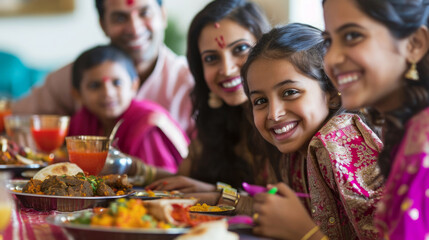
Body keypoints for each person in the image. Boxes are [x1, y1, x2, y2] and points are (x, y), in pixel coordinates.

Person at [241, 23, 384, 239]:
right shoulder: (293, 151)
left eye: (290, 92)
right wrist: (223, 199)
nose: (273, 114)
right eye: (260, 100)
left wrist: (306, 234)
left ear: (334, 93)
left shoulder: (339, 139)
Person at [323, 0, 429, 239]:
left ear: (414, 43)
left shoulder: (424, 140)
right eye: (328, 41)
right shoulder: (407, 128)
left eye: (352, 36)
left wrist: (306, 234)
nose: (332, 59)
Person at [147, 0, 276, 197]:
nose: (226, 69)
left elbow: (277, 203)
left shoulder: (282, 119)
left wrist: (217, 195)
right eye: (211, 58)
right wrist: (133, 169)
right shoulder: (215, 121)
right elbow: (181, 182)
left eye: (240, 49)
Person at [11, 0, 195, 137]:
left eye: (144, 13)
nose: (134, 28)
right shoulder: (77, 75)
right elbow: (17, 118)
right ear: (103, 25)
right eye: (119, 17)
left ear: (162, 15)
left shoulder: (189, 81)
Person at [69, 45, 189, 175]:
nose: (108, 93)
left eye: (117, 83)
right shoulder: (82, 121)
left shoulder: (148, 124)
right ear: (78, 95)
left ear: (133, 86)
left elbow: (168, 180)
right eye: (95, 86)